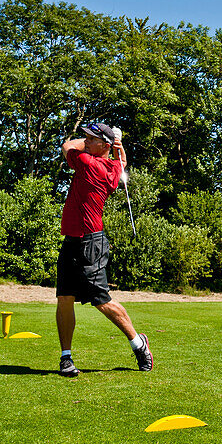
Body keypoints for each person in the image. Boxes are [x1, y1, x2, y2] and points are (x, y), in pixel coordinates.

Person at [55, 121, 152, 377]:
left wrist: (82, 140)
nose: (85, 140)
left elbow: (67, 146)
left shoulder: (90, 164)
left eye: (91, 138)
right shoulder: (113, 165)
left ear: (104, 146)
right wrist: (119, 147)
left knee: (101, 300)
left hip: (91, 241)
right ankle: (66, 358)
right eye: (85, 136)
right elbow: (123, 162)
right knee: (64, 297)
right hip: (72, 239)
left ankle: (138, 343)